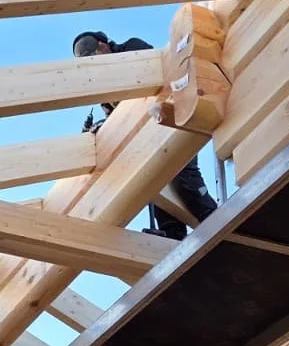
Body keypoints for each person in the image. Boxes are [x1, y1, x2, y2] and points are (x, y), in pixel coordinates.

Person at [73, 29, 219, 241]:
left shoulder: (131, 48)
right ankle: (173, 238)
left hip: (169, 123)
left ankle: (214, 220)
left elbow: (155, 78)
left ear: (104, 44)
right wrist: (100, 130)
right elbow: (118, 120)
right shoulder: (106, 90)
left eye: (93, 52)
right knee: (156, 184)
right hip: (149, 141)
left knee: (183, 176)